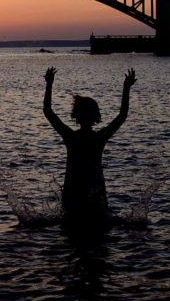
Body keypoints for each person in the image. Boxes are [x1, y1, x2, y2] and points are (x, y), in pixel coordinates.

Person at [43, 67, 136, 233]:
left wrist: (49, 84)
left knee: (71, 229)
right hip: (95, 191)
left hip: (73, 191)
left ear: (76, 115)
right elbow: (122, 115)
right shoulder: (99, 138)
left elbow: (48, 111)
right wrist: (126, 88)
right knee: (99, 228)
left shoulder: (71, 137)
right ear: (96, 116)